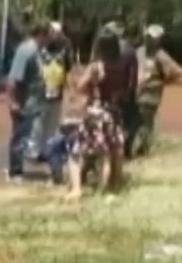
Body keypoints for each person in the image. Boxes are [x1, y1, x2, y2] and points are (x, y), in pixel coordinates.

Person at [73, 30, 134, 191]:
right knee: (113, 150)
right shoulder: (122, 66)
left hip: (96, 111)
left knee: (80, 152)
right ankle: (113, 184)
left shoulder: (97, 67)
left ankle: (77, 188)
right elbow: (128, 87)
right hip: (113, 111)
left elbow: (80, 86)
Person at [4, 22, 53, 183]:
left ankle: (19, 169)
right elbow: (13, 80)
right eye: (49, 34)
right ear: (41, 34)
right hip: (23, 102)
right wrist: (13, 102)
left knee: (26, 137)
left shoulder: (38, 51)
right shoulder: (26, 51)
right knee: (20, 136)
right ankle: (15, 172)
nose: (51, 38)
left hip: (33, 102)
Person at [130, 24, 182, 158]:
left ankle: (141, 151)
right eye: (147, 37)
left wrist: (164, 80)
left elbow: (175, 72)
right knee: (134, 123)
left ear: (159, 39)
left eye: (152, 38)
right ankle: (132, 149)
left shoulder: (161, 56)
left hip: (149, 96)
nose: (149, 40)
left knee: (145, 125)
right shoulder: (139, 52)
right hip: (133, 93)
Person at [29, 21, 72, 161]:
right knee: (48, 121)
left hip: (44, 89)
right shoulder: (64, 48)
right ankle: (44, 150)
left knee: (40, 120)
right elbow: (68, 67)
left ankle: (37, 149)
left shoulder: (41, 49)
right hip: (53, 88)